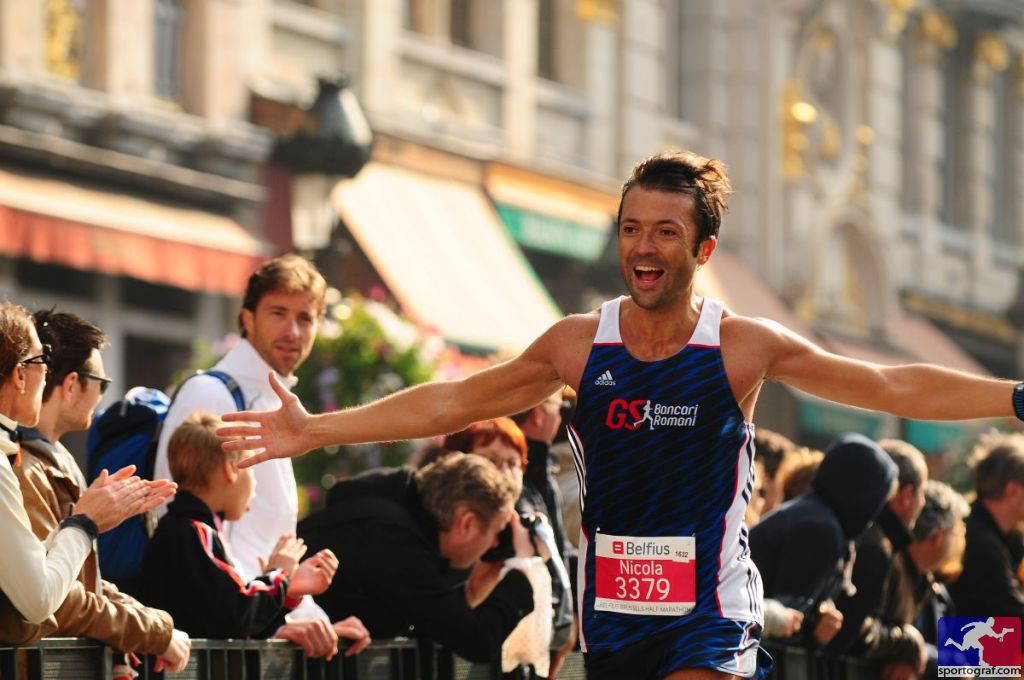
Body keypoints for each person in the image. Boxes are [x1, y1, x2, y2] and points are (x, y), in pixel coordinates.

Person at [219, 150, 1024, 680]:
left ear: (702, 251)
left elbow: (889, 386)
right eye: (631, 228)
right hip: (616, 610)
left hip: (709, 608)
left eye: (666, 232)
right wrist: (316, 429)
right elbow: (459, 399)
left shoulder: (740, 347)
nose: (644, 246)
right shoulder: (578, 344)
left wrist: (1014, 399)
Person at [152, 254, 352, 653]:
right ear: (247, 319)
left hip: (257, 638)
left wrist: (314, 619)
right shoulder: (210, 394)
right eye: (278, 313)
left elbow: (266, 546)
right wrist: (271, 627)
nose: (292, 331)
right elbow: (175, 515)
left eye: (305, 318)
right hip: (228, 648)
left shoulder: (271, 401)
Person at [14, 310, 189, 671]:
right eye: (101, 383)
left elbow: (82, 582)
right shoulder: (21, 466)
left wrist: (144, 624)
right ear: (74, 384)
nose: (101, 395)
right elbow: (55, 599)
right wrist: (154, 633)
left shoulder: (50, 460)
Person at [141, 412, 368, 658]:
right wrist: (279, 575)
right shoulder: (196, 531)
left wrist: (287, 591)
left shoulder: (183, 528)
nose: (255, 484)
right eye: (252, 469)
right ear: (231, 469)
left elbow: (232, 620)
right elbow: (236, 614)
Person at [297, 453, 536, 662]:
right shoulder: (397, 546)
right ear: (468, 523)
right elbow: (478, 642)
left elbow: (433, 618)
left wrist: (473, 590)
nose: (496, 543)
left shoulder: (394, 500)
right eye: (496, 532)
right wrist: (523, 567)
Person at [750, 433, 897, 653]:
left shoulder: (814, 514)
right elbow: (783, 626)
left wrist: (817, 620)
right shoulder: (819, 529)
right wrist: (814, 630)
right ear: (864, 494)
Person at [826, 439, 928, 659]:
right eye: (922, 493)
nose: (923, 503)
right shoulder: (875, 546)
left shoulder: (879, 539)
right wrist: (909, 645)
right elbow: (852, 633)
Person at [948, 432, 1024, 630]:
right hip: (970, 652)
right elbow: (1014, 620)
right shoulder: (980, 542)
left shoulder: (987, 529)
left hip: (974, 645)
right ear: (1013, 490)